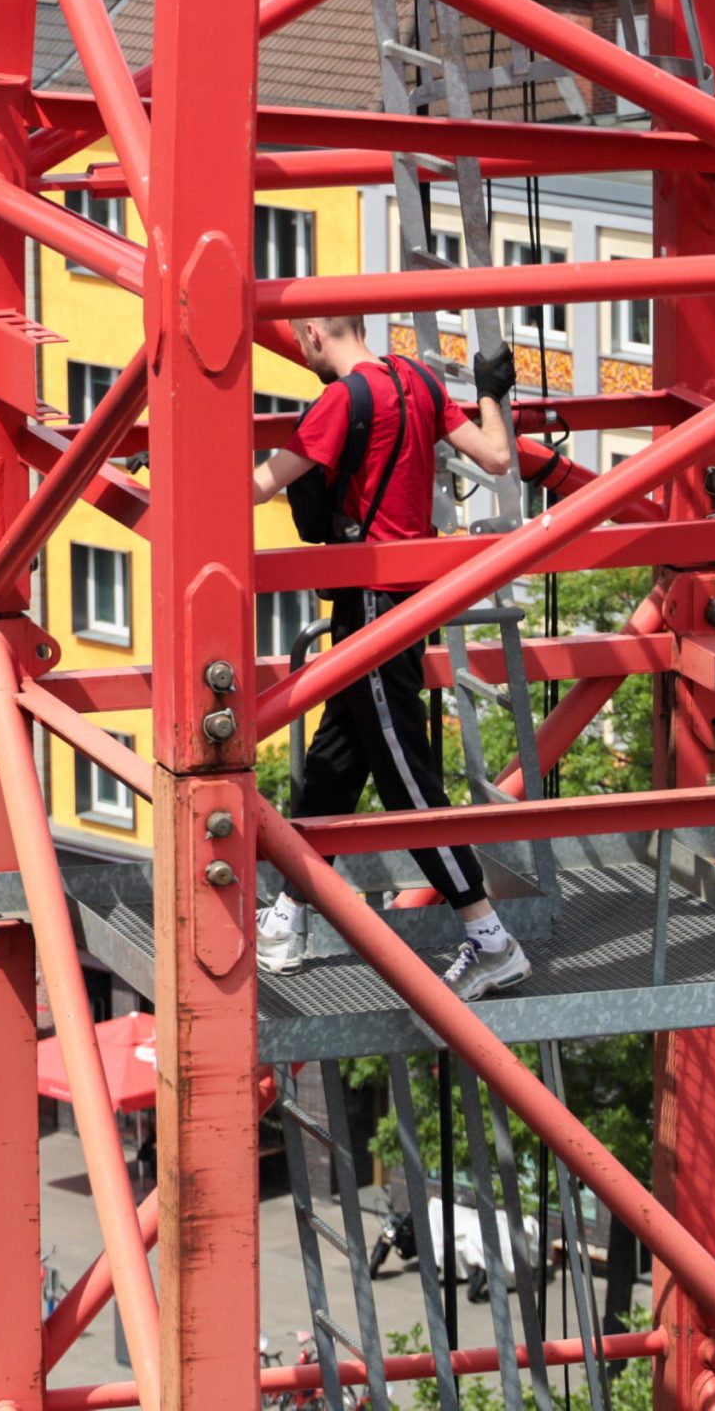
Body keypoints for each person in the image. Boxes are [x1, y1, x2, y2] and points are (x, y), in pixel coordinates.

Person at [250, 314, 531, 1001]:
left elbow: (256, 486)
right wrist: (491, 392)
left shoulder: (343, 400)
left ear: (316, 334)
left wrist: (172, 467)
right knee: (337, 763)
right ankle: (286, 920)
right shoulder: (418, 380)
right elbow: (496, 458)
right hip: (406, 601)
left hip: (372, 602)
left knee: (405, 777)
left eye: (300, 342)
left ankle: (490, 938)